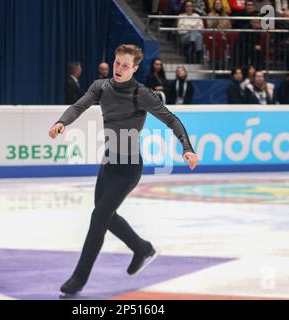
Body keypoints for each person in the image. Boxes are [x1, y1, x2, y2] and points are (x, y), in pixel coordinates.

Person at [49, 44, 199, 296]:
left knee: (99, 217)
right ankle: (142, 248)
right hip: (108, 164)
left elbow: (172, 119)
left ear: (135, 68)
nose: (119, 69)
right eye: (117, 63)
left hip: (129, 169)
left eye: (125, 66)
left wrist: (187, 147)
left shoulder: (141, 94)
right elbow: (79, 105)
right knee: (106, 216)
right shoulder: (101, 86)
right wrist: (62, 122)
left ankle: (79, 278)